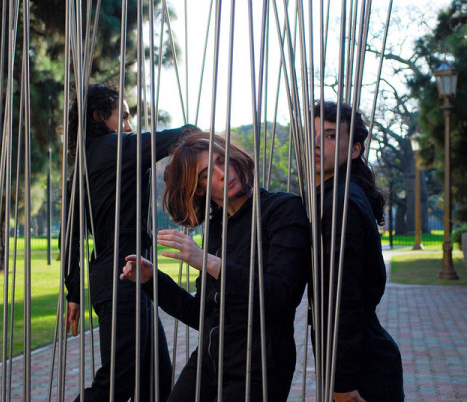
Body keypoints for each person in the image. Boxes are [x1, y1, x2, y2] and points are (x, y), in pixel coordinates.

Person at [120, 132, 310, 401]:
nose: (223, 173)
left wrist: (207, 261)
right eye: (208, 174)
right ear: (199, 189)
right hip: (210, 360)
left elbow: (281, 296)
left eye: (223, 160)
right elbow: (204, 314)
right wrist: (152, 280)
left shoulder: (282, 210)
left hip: (259, 366)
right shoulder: (217, 229)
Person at [62, 82, 198, 401]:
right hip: (123, 280)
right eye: (122, 117)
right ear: (98, 117)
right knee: (115, 385)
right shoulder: (115, 148)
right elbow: (185, 133)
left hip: (122, 281)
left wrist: (73, 293)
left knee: (157, 379)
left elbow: (68, 238)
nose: (128, 126)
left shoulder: (81, 163)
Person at [310, 101, 404, 401]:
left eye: (330, 135)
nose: (315, 143)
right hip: (359, 357)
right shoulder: (332, 194)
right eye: (312, 133)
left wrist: (344, 382)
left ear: (355, 150)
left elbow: (343, 298)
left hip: (365, 369)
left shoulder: (341, 203)